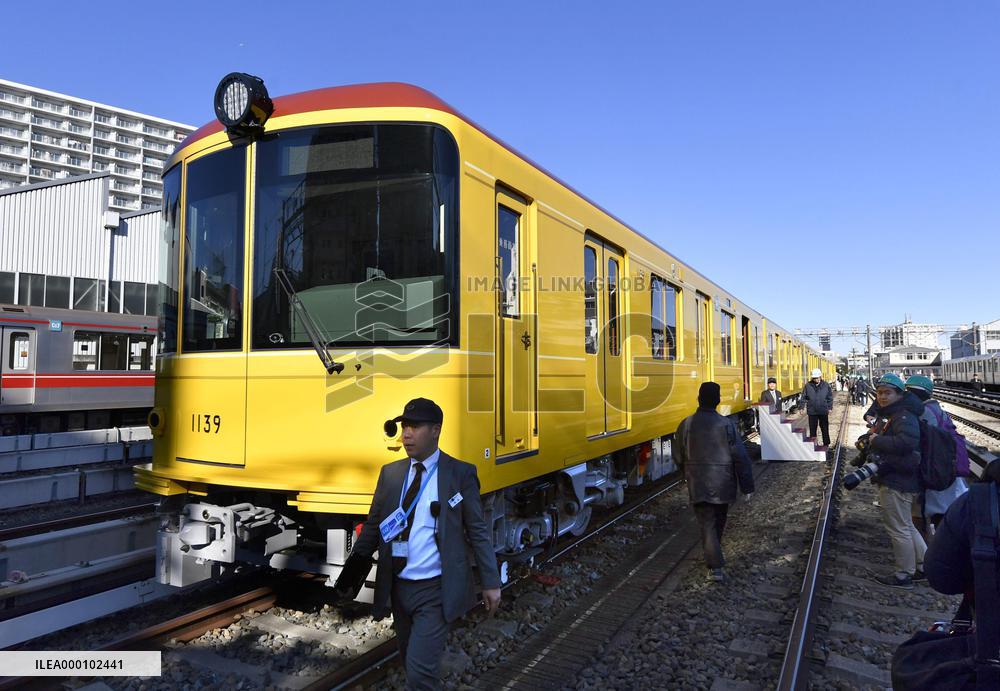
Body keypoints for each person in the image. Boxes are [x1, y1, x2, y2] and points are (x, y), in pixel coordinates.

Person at [334, 398, 501, 691]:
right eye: (404, 427)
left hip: (435, 591)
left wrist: (491, 581)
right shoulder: (391, 474)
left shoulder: (459, 474)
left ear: (435, 430)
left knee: (421, 671)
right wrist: (349, 577)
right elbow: (374, 527)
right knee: (410, 660)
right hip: (399, 588)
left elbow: (477, 530)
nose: (405, 434)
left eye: (414, 427)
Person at [674, 382, 755, 583]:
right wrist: (747, 486)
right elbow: (740, 457)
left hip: (698, 482)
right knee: (718, 521)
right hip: (724, 482)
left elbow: (677, 455)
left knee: (707, 523)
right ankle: (715, 567)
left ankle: (713, 559)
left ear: (698, 399)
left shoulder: (687, 424)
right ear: (718, 401)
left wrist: (687, 471)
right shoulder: (726, 424)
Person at [864, 373, 927, 589]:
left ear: (900, 394)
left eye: (888, 393)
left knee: (898, 529)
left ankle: (903, 575)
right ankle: (925, 566)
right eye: (880, 393)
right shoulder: (901, 413)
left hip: (896, 480)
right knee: (907, 525)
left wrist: (877, 439)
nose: (882, 397)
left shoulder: (903, 416)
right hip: (902, 478)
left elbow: (906, 442)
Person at [904, 375, 968, 537]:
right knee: (938, 512)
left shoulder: (924, 412)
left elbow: (922, 443)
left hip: (936, 470)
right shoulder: (936, 409)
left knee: (929, 514)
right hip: (947, 467)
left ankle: (929, 552)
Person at [800, 368, 834, 447]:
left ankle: (826, 443)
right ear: (812, 378)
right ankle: (813, 445)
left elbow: (829, 397)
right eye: (815, 378)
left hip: (823, 410)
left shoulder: (826, 385)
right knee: (813, 429)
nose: (816, 379)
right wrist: (801, 407)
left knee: (824, 428)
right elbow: (803, 397)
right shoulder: (807, 386)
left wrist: (830, 408)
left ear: (820, 377)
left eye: (818, 377)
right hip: (812, 411)